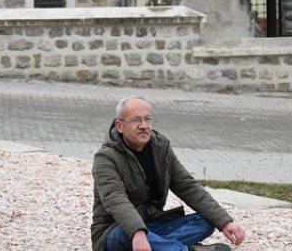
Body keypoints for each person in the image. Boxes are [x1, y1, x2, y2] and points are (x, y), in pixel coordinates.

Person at [91, 96, 247, 251]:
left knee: (207, 220)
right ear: (119, 126)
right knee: (126, 233)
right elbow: (116, 201)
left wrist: (225, 222)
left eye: (148, 119)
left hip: (153, 224)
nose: (144, 125)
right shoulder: (105, 158)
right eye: (136, 120)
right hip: (115, 232)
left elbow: (187, 186)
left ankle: (161, 246)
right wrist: (137, 232)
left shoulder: (160, 148)